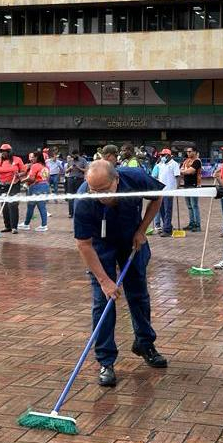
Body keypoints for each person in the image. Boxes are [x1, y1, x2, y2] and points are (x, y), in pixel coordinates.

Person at [74, 160, 168, 387]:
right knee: (102, 301)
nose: (98, 196)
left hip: (132, 239)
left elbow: (157, 198)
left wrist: (142, 230)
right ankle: (106, 360)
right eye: (93, 191)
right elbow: (84, 244)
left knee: (139, 294)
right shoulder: (84, 200)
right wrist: (105, 281)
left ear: (116, 180)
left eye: (104, 190)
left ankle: (145, 343)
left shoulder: (135, 178)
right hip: (100, 246)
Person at [0, 144, 25, 232]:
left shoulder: (17, 159)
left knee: (13, 205)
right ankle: (8, 226)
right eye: (1, 152)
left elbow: (24, 171)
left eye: (4, 152)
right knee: (4, 206)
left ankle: (14, 227)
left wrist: (18, 174)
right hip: (1, 185)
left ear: (9, 152)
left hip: (14, 184)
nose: (3, 153)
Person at [19, 150, 50, 232]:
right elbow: (47, 178)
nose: (32, 159)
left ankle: (30, 224)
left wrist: (22, 181)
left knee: (31, 206)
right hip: (45, 186)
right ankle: (40, 224)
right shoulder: (45, 166)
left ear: (37, 157)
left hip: (36, 187)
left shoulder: (35, 165)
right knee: (40, 207)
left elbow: (31, 178)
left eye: (33, 157)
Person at [153, 148, 180, 237]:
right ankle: (167, 226)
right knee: (161, 210)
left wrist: (177, 188)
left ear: (168, 155)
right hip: (161, 191)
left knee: (167, 210)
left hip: (169, 190)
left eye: (163, 155)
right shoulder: (160, 164)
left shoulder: (174, 164)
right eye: (161, 155)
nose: (161, 157)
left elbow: (177, 177)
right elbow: (157, 176)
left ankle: (167, 229)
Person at [180, 147, 203, 232]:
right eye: (187, 152)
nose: (188, 153)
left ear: (195, 152)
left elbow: (191, 171)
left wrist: (184, 171)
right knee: (189, 206)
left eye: (190, 151)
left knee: (194, 206)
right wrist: (185, 171)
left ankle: (197, 225)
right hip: (186, 185)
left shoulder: (197, 161)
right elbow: (182, 170)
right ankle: (192, 223)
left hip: (194, 185)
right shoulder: (186, 161)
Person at [65, 150, 88, 217]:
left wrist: (78, 168)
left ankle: (78, 212)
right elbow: (66, 172)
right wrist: (70, 168)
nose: (73, 157)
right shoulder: (70, 161)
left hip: (79, 179)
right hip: (71, 179)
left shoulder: (83, 160)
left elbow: (86, 170)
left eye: (74, 155)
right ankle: (71, 213)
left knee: (79, 196)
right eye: (72, 155)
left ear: (77, 154)